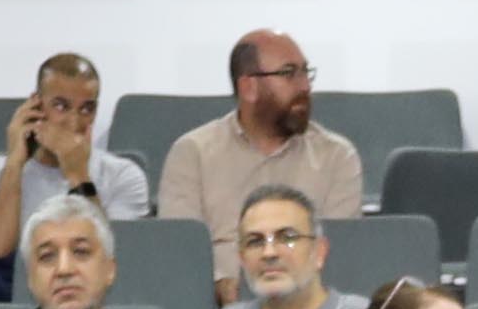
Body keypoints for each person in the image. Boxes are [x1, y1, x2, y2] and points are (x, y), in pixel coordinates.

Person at [154, 27, 361, 244]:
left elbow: (336, 254)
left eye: (305, 72)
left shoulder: (336, 157)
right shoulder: (192, 154)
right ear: (248, 87)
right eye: (289, 73)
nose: (305, 86)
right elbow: (180, 251)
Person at [0, 51, 153, 283]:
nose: (74, 122)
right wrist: (14, 163)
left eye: (86, 109)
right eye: (61, 106)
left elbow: (112, 265)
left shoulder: (124, 175)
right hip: (8, 291)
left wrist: (79, 176)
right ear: (36, 105)